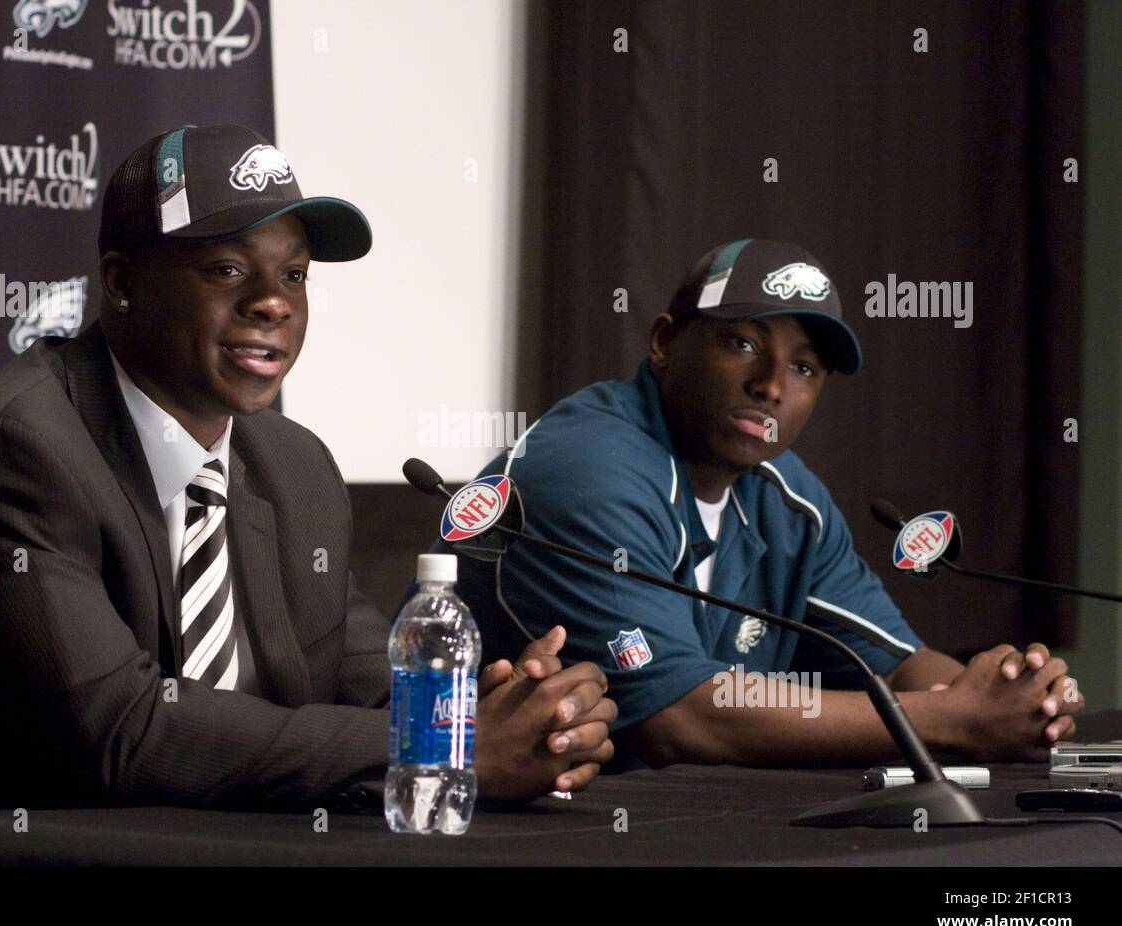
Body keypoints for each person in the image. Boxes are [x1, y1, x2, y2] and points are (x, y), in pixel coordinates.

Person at [0, 124, 615, 865]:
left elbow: (366, 683)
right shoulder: (8, 455)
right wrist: (446, 749)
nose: (273, 302)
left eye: (294, 275)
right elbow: (122, 734)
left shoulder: (292, 465)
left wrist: (505, 716)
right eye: (228, 270)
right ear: (122, 283)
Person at [413, 239, 1082, 771]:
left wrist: (1011, 696)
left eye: (804, 368)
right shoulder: (589, 472)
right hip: (486, 820)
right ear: (665, 343)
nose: (771, 386)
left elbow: (895, 660)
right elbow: (678, 719)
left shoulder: (788, 499)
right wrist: (955, 721)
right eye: (742, 344)